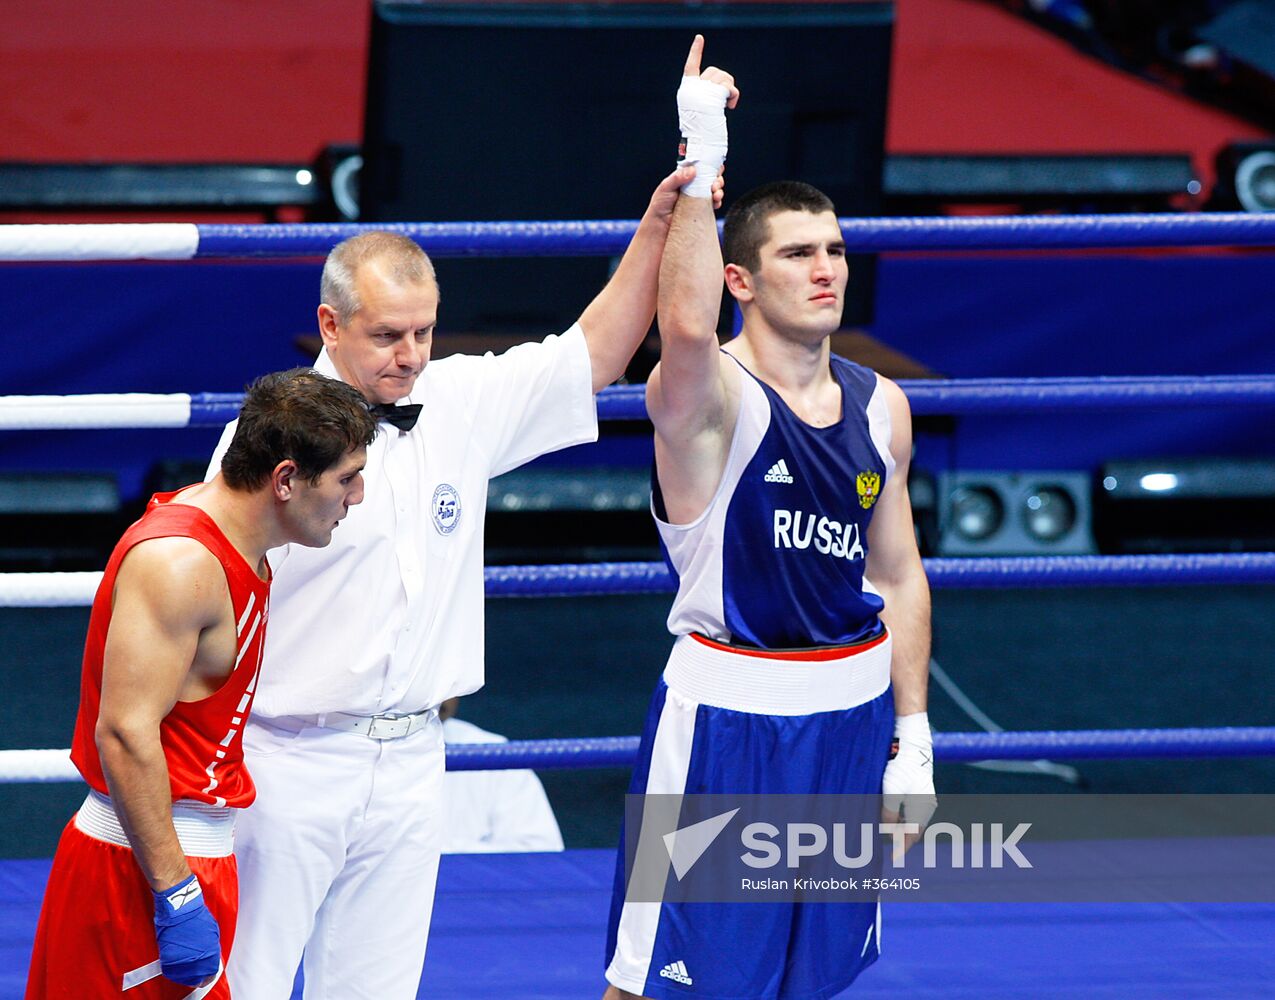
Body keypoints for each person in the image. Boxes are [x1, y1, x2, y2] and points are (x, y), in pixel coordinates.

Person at [204, 42, 727, 1000]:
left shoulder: (458, 402)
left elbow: (592, 353)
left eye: (423, 331)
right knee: (241, 984)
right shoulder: (265, 432)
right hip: (284, 761)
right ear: (328, 326)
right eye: (384, 336)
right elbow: (206, 590)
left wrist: (659, 220)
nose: (408, 356)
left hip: (412, 761)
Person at [603, 38, 935, 1000]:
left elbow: (900, 575)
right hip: (726, 723)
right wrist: (701, 151)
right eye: (797, 253)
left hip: (848, 717)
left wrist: (910, 740)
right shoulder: (709, 406)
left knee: (808, 980)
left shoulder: (883, 409)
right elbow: (679, 330)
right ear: (741, 281)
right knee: (657, 982)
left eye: (834, 249)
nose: (826, 269)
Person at [25, 369, 377, 1000]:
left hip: (189, 857)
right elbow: (125, 732)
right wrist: (175, 893)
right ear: (287, 479)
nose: (358, 496)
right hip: (140, 869)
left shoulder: (245, 544)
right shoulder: (182, 563)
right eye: (347, 478)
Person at [437, 698, 564, 854]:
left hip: (471, 878)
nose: (438, 691)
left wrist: (432, 855)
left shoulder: (493, 751)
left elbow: (539, 853)